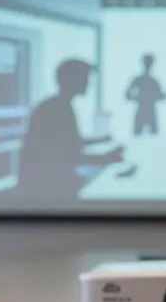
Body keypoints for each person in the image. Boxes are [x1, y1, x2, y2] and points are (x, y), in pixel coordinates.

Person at [16, 59, 123, 199]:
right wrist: (106, 159)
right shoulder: (57, 110)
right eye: (85, 78)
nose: (88, 84)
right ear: (73, 80)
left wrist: (101, 141)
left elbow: (68, 142)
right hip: (48, 189)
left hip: (50, 181)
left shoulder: (57, 105)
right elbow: (67, 155)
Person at [125, 53, 166, 137]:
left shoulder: (153, 81)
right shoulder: (141, 80)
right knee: (138, 137)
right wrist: (139, 98)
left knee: (152, 138)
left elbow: (161, 97)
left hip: (150, 111)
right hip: (143, 111)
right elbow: (127, 95)